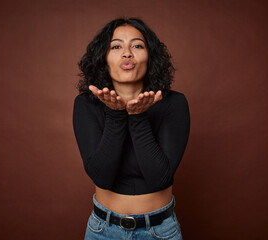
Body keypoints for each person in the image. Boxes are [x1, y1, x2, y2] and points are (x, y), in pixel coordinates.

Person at [73, 17, 190, 240]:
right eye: (116, 46)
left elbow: (159, 178)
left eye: (137, 45)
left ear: (150, 56)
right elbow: (102, 176)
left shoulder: (174, 104)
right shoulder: (86, 104)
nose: (127, 53)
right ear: (103, 58)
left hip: (160, 232)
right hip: (103, 231)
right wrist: (117, 115)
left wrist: (137, 118)